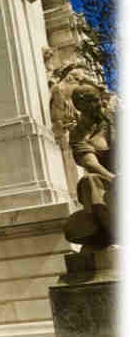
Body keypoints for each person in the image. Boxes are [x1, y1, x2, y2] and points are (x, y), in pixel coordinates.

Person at [65, 83, 116, 246]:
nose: (99, 104)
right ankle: (114, 234)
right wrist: (113, 178)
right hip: (107, 181)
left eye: (99, 100)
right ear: (81, 105)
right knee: (89, 182)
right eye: (94, 101)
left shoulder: (114, 120)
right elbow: (89, 162)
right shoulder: (78, 133)